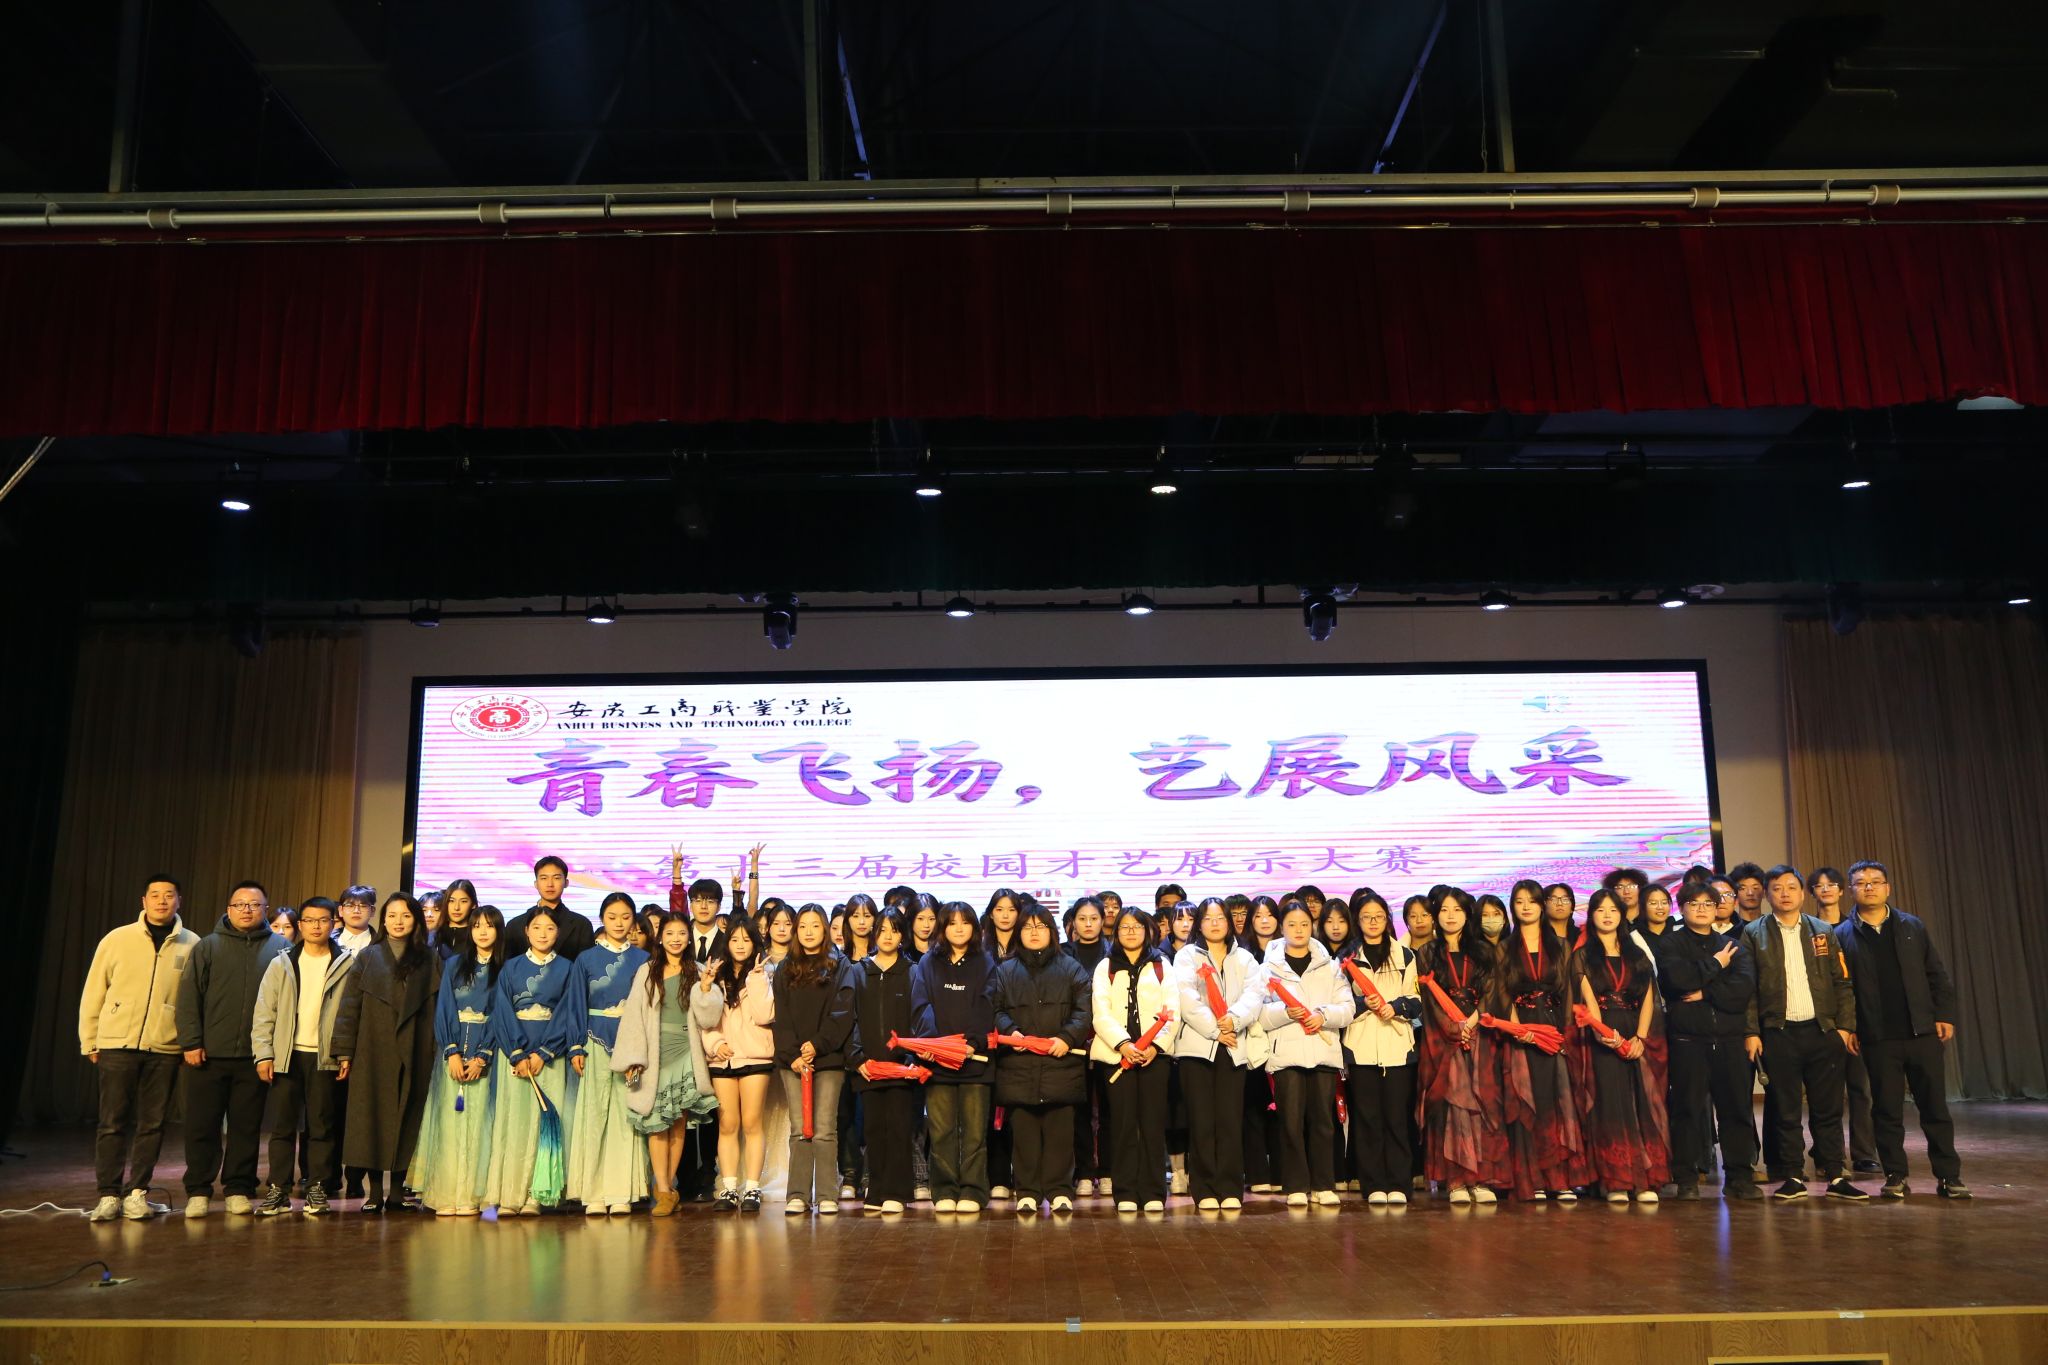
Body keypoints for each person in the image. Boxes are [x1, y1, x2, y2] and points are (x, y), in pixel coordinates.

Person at [1835, 861, 1968, 1199]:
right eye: (1861, 882)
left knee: (1935, 1108)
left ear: (1888, 888)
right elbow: (1842, 988)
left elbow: (1936, 974)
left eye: (1875, 881)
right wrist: (1849, 1026)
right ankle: (1895, 1174)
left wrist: (1944, 1015)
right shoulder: (1842, 935)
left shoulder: (1912, 926)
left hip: (1922, 1032)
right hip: (1878, 1037)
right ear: (1851, 890)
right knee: (1886, 1111)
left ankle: (1949, 1176)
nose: (1869, 887)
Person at [80, 874, 198, 1221]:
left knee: (152, 1124)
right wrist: (90, 1039)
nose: (162, 901)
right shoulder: (117, 939)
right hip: (117, 1042)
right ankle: (108, 1194)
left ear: (179, 901)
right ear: (143, 901)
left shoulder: (193, 944)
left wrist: (187, 1042)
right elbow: (95, 990)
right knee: (112, 1122)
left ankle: (137, 1193)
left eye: (169, 895)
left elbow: (194, 1000)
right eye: (155, 895)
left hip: (165, 1047)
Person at [1742, 866, 1862, 1201]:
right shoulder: (1753, 933)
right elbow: (1747, 989)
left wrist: (1843, 1028)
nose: (1785, 893)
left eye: (1791, 887)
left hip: (1822, 1031)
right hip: (1778, 1033)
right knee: (1786, 1109)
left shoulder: (1821, 930)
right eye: (1777, 888)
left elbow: (1842, 982)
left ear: (1802, 893)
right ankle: (1793, 1175)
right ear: (1768, 895)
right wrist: (1752, 1031)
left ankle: (1835, 1173)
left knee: (1828, 1109)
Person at [174, 880, 289, 1218]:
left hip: (255, 1057)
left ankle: (238, 1187)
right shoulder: (208, 946)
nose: (246, 910)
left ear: (266, 910)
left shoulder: (282, 948)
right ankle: (198, 1189)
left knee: (246, 1126)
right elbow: (189, 997)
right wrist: (191, 1042)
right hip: (208, 1054)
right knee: (202, 1125)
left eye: (254, 905)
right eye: (240, 904)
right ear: (229, 909)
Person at [332, 892, 441, 1213]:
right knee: (372, 1119)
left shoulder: (430, 959)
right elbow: (349, 1008)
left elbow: (439, 1009)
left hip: (416, 1050)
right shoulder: (368, 957)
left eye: (406, 915)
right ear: (383, 920)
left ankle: (397, 1192)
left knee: (409, 1119)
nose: (398, 922)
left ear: (416, 920)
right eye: (392, 915)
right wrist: (344, 1052)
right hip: (373, 1050)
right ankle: (374, 1193)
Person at [251, 897, 356, 1216]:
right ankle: (278, 1189)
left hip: (324, 1057)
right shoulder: (281, 963)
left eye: (323, 920)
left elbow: (352, 1013)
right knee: (282, 1127)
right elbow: (264, 1011)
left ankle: (318, 1187)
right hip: (287, 1055)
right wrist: (263, 1054)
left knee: (322, 1126)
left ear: (333, 923)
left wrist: (345, 1052)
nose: (316, 926)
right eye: (309, 920)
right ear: (300, 925)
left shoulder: (347, 964)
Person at [481, 906, 588, 1215]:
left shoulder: (568, 969)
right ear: (526, 931)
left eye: (550, 928)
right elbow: (502, 1012)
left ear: (558, 933)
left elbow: (568, 1011)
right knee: (515, 1123)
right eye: (537, 928)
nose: (543, 933)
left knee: (546, 1124)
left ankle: (536, 1195)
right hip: (514, 1056)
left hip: (551, 1057)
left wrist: (544, 1053)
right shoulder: (510, 968)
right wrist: (516, 1052)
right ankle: (510, 1194)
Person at [1658, 882, 1761, 1201]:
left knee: (1737, 1110)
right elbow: (1676, 982)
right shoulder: (1670, 944)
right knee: (1687, 1111)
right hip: (1687, 1040)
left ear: (1717, 908)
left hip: (1729, 1040)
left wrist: (1705, 992)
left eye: (1707, 904)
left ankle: (1739, 1177)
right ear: (1682, 908)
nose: (1701, 909)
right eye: (1694, 903)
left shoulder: (1734, 945)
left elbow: (1742, 990)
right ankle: (1686, 1178)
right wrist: (1716, 965)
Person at [613, 912, 718, 1216]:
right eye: (670, 933)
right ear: (660, 938)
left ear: (689, 938)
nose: (675, 939)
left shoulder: (699, 971)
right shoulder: (647, 971)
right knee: (658, 1124)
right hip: (656, 1054)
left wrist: (707, 989)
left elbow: (709, 1019)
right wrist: (634, 1057)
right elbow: (634, 1016)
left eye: (682, 933)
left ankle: (668, 1189)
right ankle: (662, 1187)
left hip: (687, 1053)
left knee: (679, 1122)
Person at [992, 903, 1092, 1214]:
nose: (1034, 932)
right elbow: (995, 1009)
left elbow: (1084, 1010)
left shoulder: (1071, 968)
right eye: (1027, 927)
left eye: (1041, 926)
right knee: (1024, 1134)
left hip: (1061, 1063)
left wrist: (1067, 1038)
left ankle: (1060, 1190)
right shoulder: (1004, 970)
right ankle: (1027, 1191)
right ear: (1018, 933)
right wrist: (1011, 1032)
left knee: (1060, 1133)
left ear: (1052, 931)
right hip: (1018, 1065)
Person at [1572, 888, 1670, 1203]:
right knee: (1611, 1104)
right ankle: (1616, 1180)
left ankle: (1644, 1180)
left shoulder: (1636, 954)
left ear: (1622, 915)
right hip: (1603, 1036)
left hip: (1636, 1032)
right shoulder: (1583, 956)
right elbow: (1587, 1000)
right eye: (1600, 910)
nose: (1607, 915)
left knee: (1640, 1103)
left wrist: (1640, 1038)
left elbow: (1648, 998)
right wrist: (1604, 1033)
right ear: (1592, 915)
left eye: (1613, 910)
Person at [1260, 899, 1355, 1208]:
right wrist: (1285, 1012)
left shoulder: (1330, 966)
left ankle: (1324, 1184)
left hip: (1322, 1051)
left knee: (1323, 1123)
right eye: (1291, 924)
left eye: (1304, 924)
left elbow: (1348, 1008)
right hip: (1286, 1054)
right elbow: (1259, 1014)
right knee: (1290, 1123)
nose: (1298, 930)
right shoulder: (1267, 968)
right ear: (1281, 928)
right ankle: (1296, 1185)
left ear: (1313, 926)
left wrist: (1323, 1015)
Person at [1415, 887, 1507, 1203]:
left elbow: (1493, 991)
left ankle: (1480, 1178)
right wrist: (1452, 1028)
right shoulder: (1427, 953)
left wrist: (1472, 1022)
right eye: (1444, 910)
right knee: (1452, 1105)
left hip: (1480, 1035)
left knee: (1482, 1103)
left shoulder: (1483, 951)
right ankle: (1456, 1181)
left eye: (1457, 910)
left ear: (1468, 914)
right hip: (1443, 1040)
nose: (1450, 916)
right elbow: (1428, 999)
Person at [410, 905, 503, 1216]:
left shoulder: (505, 969)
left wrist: (482, 1056)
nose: (482, 932)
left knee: (480, 1124)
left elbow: (500, 1015)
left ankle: (473, 1195)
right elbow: (445, 1009)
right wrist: (451, 1052)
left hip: (486, 1055)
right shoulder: (453, 965)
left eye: (489, 926)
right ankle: (447, 1193)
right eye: (477, 926)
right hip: (451, 1054)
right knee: (449, 1123)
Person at [1500, 879, 1587, 1202]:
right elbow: (1502, 993)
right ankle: (1532, 1178)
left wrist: (1564, 1033)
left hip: (1553, 1031)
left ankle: (1559, 1179)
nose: (1526, 907)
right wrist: (1516, 1028)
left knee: (1557, 1102)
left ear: (1541, 906)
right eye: (1519, 901)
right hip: (1520, 1033)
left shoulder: (1560, 946)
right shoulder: (1504, 948)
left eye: (1532, 901)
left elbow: (1568, 992)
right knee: (1527, 1103)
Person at [1172, 898, 1262, 1211]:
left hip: (1233, 1047)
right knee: (1201, 1122)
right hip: (1198, 1048)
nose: (1214, 923)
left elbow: (1255, 995)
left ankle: (1230, 1186)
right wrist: (1214, 1029)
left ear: (1229, 922)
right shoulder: (1186, 956)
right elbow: (1186, 998)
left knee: (1229, 1121)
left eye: (1220, 918)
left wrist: (1233, 1020)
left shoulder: (1245, 958)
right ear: (1199, 924)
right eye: (1208, 918)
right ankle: (1205, 1188)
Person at [567, 892, 653, 1214]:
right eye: (612, 917)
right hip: (593, 1041)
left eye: (626, 917)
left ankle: (622, 1192)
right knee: (593, 1113)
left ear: (634, 921)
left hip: (632, 1045)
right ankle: (593, 1193)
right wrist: (576, 1045)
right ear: (602, 918)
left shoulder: (643, 959)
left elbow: (649, 1008)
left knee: (626, 1115)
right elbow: (576, 1003)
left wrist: (641, 1051)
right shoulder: (586, 959)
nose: (619, 923)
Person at [1091, 906, 1178, 1213]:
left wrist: (1156, 1046)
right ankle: (1125, 1191)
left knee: (1152, 1125)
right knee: (1123, 1125)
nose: (1131, 932)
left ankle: (1153, 1192)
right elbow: (1100, 1013)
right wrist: (1124, 1044)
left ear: (1148, 930)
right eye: (1125, 927)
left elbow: (1173, 1010)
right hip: (1117, 1057)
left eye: (1137, 926)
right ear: (1116, 932)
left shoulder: (1162, 965)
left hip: (1155, 1057)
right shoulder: (1105, 967)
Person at [913, 902, 997, 1214]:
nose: (958, 928)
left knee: (974, 1132)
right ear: (942, 928)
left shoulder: (985, 961)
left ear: (975, 928)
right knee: (941, 1130)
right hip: (938, 1061)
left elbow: (988, 1003)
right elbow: (920, 1004)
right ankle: (945, 1190)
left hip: (976, 1060)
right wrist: (935, 1044)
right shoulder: (928, 962)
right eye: (952, 923)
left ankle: (974, 1191)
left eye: (965, 922)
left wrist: (972, 1044)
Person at [772, 904, 856, 1214]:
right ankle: (797, 1194)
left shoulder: (840, 965)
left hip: (829, 1058)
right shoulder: (785, 968)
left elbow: (843, 1012)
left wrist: (817, 1045)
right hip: (793, 1061)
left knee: (824, 1129)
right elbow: (781, 1017)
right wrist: (794, 1054)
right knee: (799, 1129)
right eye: (803, 926)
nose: (809, 932)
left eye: (815, 926)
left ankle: (826, 1195)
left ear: (825, 929)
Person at [1339, 893, 1420, 1206]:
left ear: (1387, 919)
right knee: (1368, 1119)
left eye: (1379, 917)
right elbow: (1339, 1002)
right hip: (1360, 1046)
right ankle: (1373, 1184)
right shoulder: (1346, 957)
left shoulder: (1405, 955)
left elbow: (1416, 1000)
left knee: (1397, 1118)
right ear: (1357, 921)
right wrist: (1363, 1003)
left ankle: (1399, 1183)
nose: (1373, 922)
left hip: (1398, 1044)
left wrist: (1394, 1007)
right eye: (1366, 917)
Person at [696, 915, 777, 1212]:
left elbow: (765, 1015)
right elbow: (705, 1020)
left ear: (755, 942)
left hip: (755, 1056)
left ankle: (752, 1188)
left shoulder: (765, 973)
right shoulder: (714, 974)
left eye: (746, 939)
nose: (740, 945)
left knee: (752, 1123)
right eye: (734, 939)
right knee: (728, 1124)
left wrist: (757, 978)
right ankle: (729, 1188)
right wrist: (716, 1045)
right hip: (723, 1059)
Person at [847, 908, 920, 1214]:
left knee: (900, 1128)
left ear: (903, 935)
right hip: (868, 1066)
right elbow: (849, 1017)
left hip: (902, 1067)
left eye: (895, 930)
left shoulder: (913, 971)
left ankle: (897, 1192)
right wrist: (857, 1058)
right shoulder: (858, 971)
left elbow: (919, 1018)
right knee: (874, 1130)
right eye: (883, 929)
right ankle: (876, 1190)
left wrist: (912, 1056)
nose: (888, 936)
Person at [1809, 865, 1877, 1174]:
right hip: (1821, 1023)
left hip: (1856, 1020)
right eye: (1819, 885)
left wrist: (1853, 1023)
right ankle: (1827, 1154)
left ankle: (1864, 1152)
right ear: (1812, 892)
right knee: (1826, 1094)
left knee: (1860, 1089)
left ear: (1841, 890)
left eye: (1831, 884)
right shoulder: (1807, 929)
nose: (1825, 889)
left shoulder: (1855, 928)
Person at [1062, 895, 1112, 1196]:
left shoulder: (1114, 952)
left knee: (1109, 1108)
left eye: (1094, 918)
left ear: (1103, 921)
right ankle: (1083, 1171)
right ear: (1073, 923)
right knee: (1078, 1108)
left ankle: (1107, 1170)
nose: (1089, 924)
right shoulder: (1062, 954)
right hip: (1074, 1040)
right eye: (1082, 919)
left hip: (1109, 1040)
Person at [502, 856, 594, 960]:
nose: (550, 884)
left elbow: (587, 965)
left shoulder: (581, 925)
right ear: (536, 884)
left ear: (566, 883)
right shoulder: (515, 925)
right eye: (544, 878)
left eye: (556, 878)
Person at [335, 886, 377, 953]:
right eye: (350, 906)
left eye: (363, 906)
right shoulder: (327, 941)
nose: (356, 911)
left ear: (372, 911)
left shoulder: (382, 944)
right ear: (341, 911)